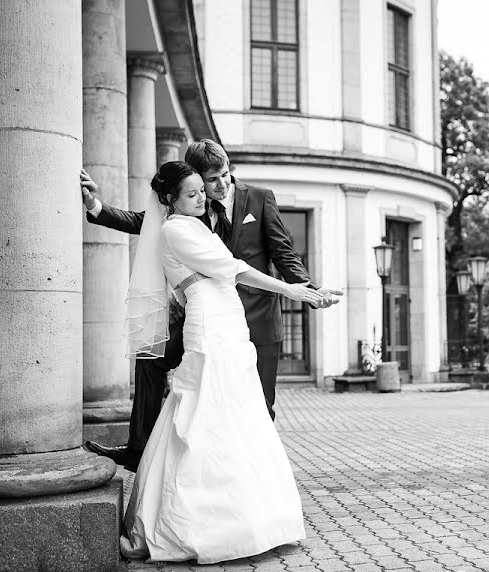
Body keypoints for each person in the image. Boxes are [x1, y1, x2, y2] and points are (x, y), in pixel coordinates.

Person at [81, 140, 341, 471]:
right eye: (212, 180)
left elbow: (283, 252)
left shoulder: (260, 199)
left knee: (257, 403)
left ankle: (256, 472)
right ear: (195, 181)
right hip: (205, 316)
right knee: (151, 358)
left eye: (225, 175)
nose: (222, 185)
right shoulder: (189, 207)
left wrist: (310, 290)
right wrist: (96, 207)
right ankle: (139, 448)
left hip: (257, 319)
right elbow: (140, 221)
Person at [121, 161, 316, 562]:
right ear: (169, 199)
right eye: (191, 193)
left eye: (200, 191)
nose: (202, 197)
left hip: (228, 320)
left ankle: (255, 516)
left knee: (239, 410)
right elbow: (235, 269)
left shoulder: (194, 224)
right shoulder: (175, 229)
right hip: (209, 322)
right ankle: (191, 524)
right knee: (203, 411)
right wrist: (293, 291)